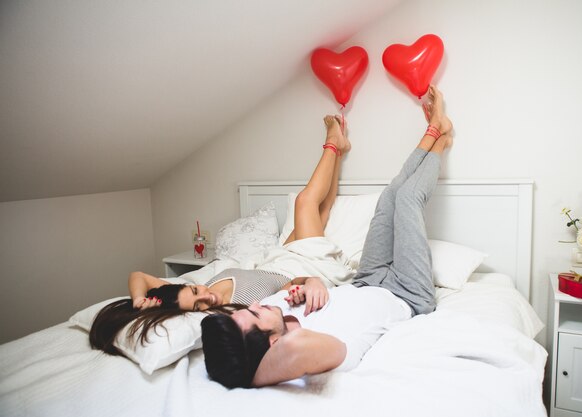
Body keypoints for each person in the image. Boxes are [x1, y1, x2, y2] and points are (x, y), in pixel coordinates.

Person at [201, 85, 453, 388]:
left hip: (366, 278)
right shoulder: (328, 348)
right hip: (408, 294)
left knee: (389, 197)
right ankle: (439, 139)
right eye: (253, 317)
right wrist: (248, 374)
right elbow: (294, 350)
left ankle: (435, 131)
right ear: (271, 347)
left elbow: (289, 284)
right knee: (409, 199)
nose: (254, 305)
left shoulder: (276, 311)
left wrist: (311, 282)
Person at [89, 115, 354, 355]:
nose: (207, 296)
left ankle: (339, 151)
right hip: (302, 266)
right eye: (198, 307)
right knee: (305, 202)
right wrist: (307, 283)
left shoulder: (183, 295)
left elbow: (138, 276)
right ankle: (332, 141)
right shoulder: (238, 310)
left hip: (279, 256)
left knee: (323, 211)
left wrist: (139, 301)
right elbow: (286, 289)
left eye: (196, 290)